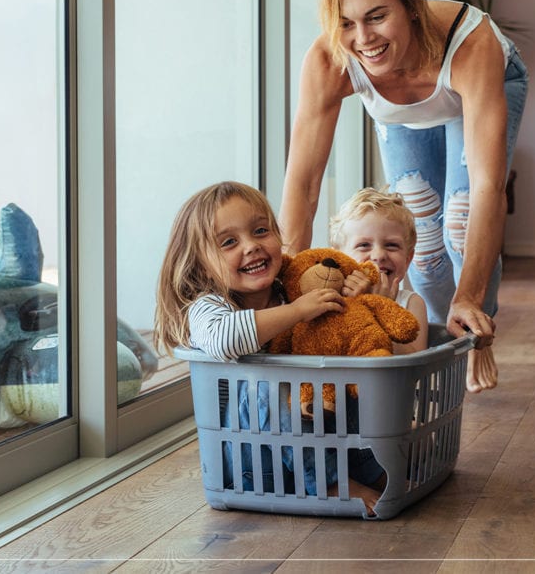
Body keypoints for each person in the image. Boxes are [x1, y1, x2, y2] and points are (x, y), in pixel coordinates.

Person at [279, 0, 529, 393]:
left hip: (479, 86)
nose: (364, 39)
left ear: (411, 7)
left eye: (377, 16)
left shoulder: (472, 42)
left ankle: (475, 330)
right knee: (424, 243)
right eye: (346, 23)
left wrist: (470, 295)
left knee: (458, 218)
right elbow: (304, 182)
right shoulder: (330, 59)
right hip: (405, 115)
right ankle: (436, 344)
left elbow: (489, 186)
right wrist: (285, 283)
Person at [152, 180, 386, 514]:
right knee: (266, 382)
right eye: (229, 242)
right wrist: (298, 311)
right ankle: (332, 483)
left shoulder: (291, 289)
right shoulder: (208, 306)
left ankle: (371, 470)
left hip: (316, 450)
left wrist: (354, 295)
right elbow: (224, 339)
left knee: (343, 377)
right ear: (200, 264)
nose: (251, 246)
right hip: (254, 465)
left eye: (261, 231)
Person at [328, 187, 428, 354]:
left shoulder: (411, 303)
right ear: (339, 257)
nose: (379, 255)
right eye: (364, 245)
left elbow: (414, 361)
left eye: (391, 245)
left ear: (408, 258)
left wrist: (380, 308)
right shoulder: (331, 297)